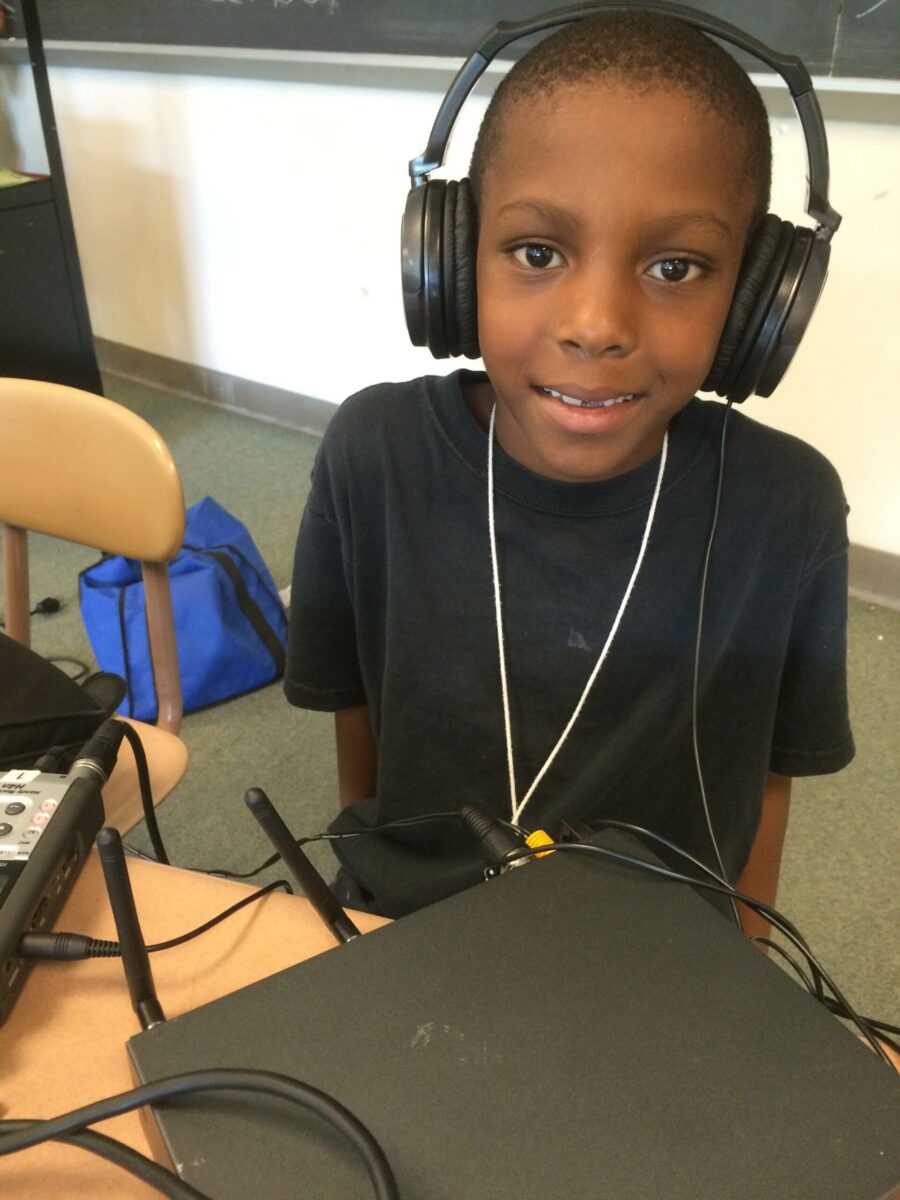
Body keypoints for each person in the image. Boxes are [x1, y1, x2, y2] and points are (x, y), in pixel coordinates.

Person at [284, 11, 854, 927]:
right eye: (538, 252)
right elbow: (360, 730)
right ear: (452, 259)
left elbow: (767, 780)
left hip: (659, 951)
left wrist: (749, 957)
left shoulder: (788, 508)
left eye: (676, 267)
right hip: (412, 932)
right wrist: (367, 922)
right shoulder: (373, 455)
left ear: (758, 301)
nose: (596, 325)